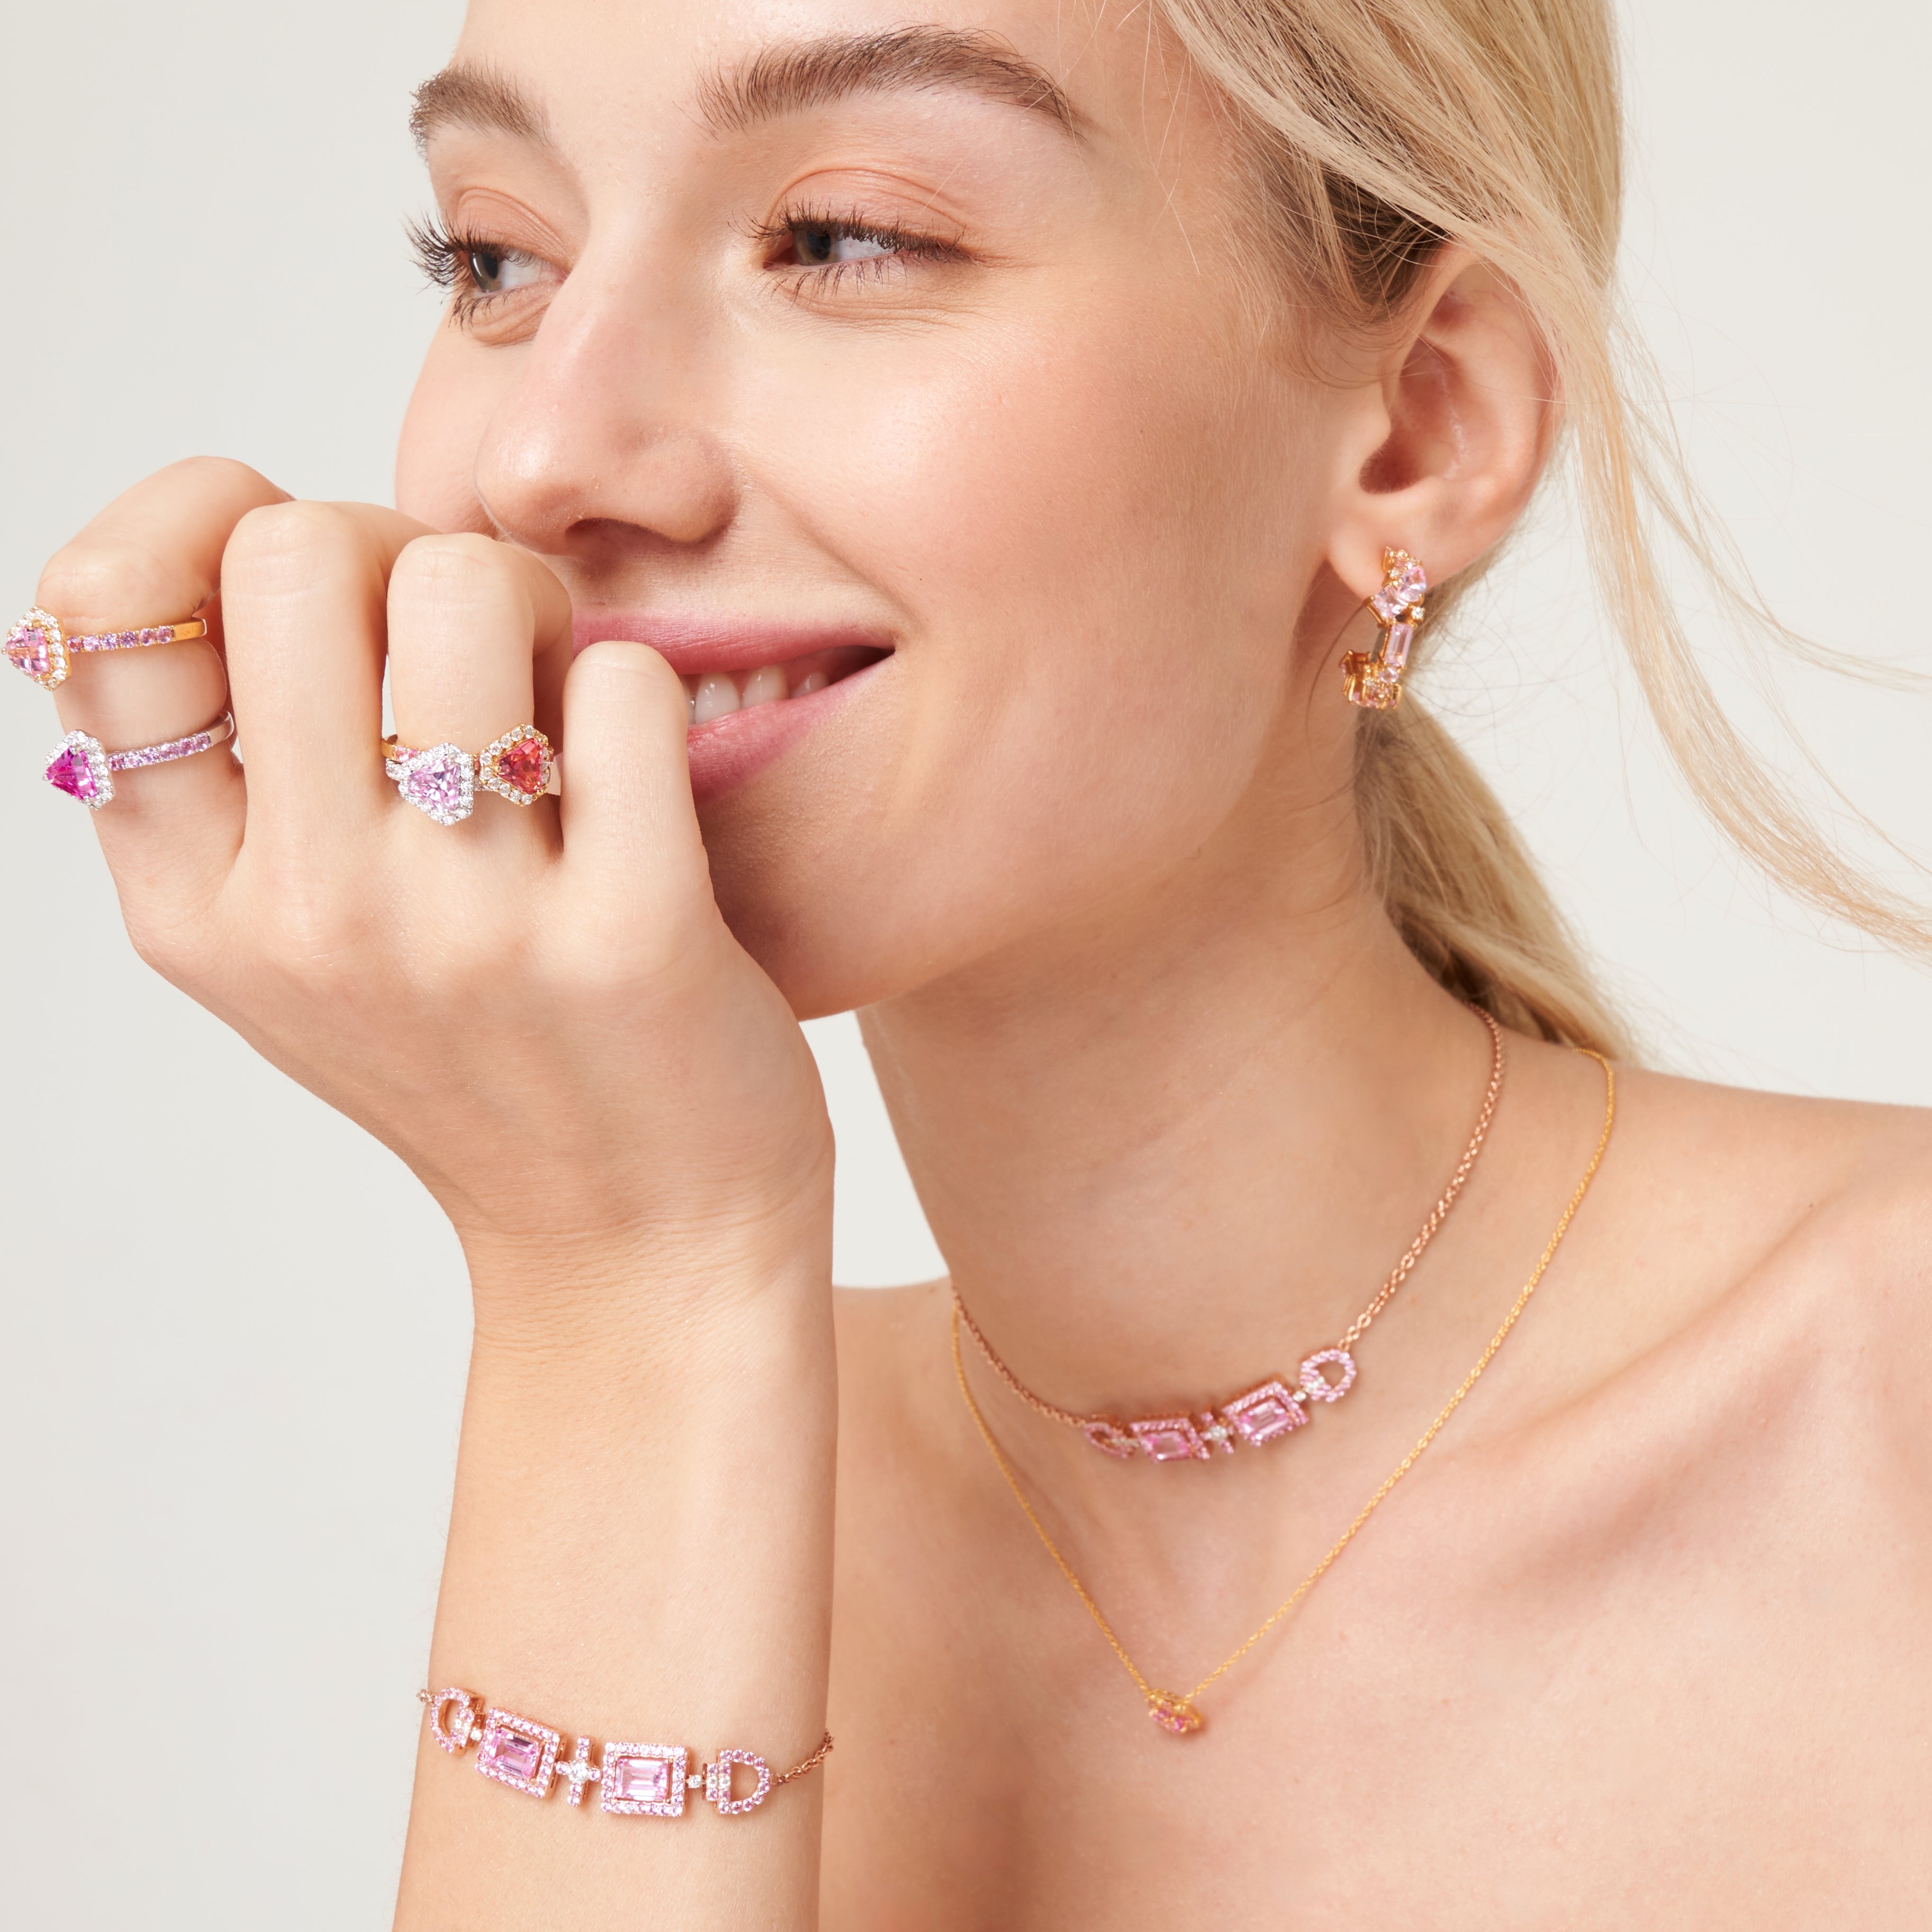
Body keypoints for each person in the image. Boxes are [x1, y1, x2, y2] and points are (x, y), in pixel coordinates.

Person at [15, 0, 1930, 1921]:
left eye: (844, 237)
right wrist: (628, 1281)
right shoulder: (681, 1429)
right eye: (496, 256)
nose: (544, 454)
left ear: (1420, 428)